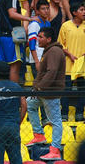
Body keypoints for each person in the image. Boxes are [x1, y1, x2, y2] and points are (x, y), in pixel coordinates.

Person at [26, 27, 66, 161]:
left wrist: (40, 88)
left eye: (41, 37)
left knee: (55, 121)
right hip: (43, 91)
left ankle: (55, 149)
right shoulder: (49, 50)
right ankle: (39, 135)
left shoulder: (54, 51)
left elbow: (52, 72)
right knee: (30, 104)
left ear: (49, 39)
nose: (38, 39)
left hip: (50, 92)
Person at [0, 0, 33, 82]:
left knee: (3, 67)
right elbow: (12, 13)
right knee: (15, 66)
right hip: (11, 37)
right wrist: (29, 19)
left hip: (1, 37)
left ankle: (2, 92)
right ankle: (13, 93)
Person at [0, 61, 26, 164]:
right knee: (16, 159)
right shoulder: (17, 87)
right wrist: (17, 121)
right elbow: (24, 106)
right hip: (13, 126)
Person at [58, 3, 85, 122]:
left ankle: (79, 113)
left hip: (83, 65)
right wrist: (70, 55)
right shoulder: (65, 26)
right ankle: (64, 113)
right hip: (68, 63)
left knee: (82, 89)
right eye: (82, 9)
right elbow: (60, 44)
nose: (84, 12)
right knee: (66, 90)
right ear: (74, 12)